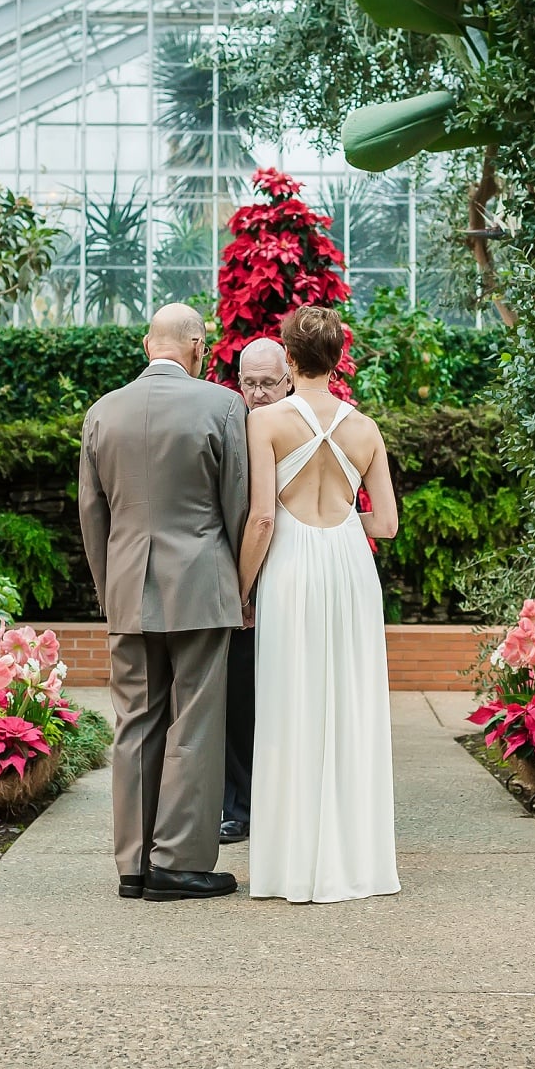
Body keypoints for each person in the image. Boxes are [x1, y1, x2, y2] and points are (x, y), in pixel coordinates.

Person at [79, 303, 250, 902]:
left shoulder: (102, 412)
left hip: (127, 586)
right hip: (201, 586)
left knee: (134, 721)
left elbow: (91, 514)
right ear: (198, 345)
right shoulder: (223, 406)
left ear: (145, 345)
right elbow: (238, 507)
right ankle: (177, 862)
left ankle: (132, 865)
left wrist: (110, 591)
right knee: (196, 723)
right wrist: (241, 586)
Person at [238, 306, 401, 903]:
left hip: (292, 565)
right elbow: (384, 523)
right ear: (338, 355)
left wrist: (241, 587)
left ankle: (291, 865)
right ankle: (357, 862)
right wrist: (339, 521)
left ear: (288, 357)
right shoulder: (366, 429)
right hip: (349, 568)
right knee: (351, 703)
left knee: (289, 704)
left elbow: (260, 518)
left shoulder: (268, 421)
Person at [221, 336, 291, 846]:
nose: (259, 393)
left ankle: (285, 802)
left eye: (268, 383)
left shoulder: (302, 425)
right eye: (250, 382)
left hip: (292, 576)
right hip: (240, 580)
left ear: (288, 377)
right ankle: (238, 808)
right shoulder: (232, 423)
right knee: (238, 700)